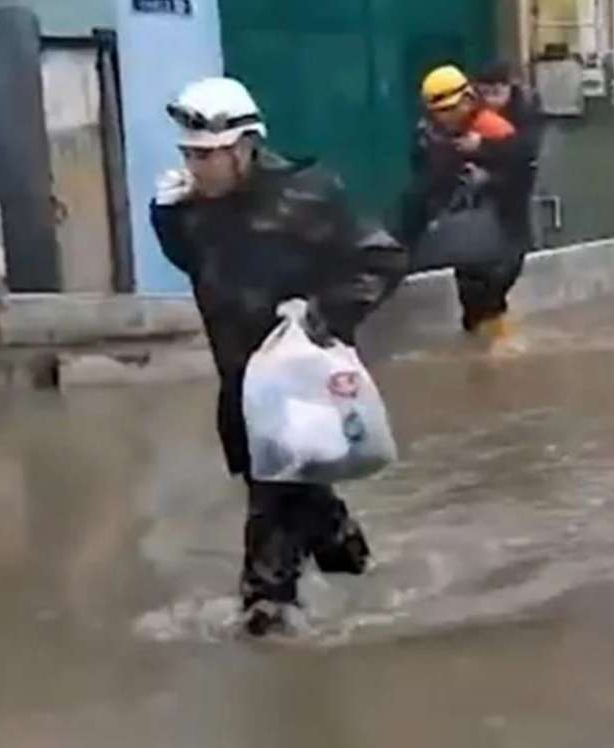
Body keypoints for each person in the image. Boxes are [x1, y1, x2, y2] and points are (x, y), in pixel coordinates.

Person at [150, 77, 403, 636]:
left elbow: (382, 260)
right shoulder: (194, 210)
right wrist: (166, 217)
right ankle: (366, 579)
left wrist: (322, 313)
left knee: (272, 519)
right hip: (240, 388)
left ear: (246, 147)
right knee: (304, 499)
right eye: (191, 156)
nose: (199, 168)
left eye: (210, 157)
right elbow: (197, 264)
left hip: (300, 387)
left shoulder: (307, 195)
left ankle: (268, 622)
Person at [401, 65, 535, 338]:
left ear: (468, 100)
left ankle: (501, 348)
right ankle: (484, 347)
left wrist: (485, 159)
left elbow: (522, 172)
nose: (447, 117)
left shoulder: (495, 130)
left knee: (493, 289)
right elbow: (423, 185)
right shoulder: (429, 135)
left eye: (452, 109)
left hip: (505, 227)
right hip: (463, 229)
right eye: (440, 112)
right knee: (472, 301)